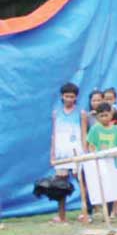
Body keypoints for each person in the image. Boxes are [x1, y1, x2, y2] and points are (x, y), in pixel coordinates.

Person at [50, 82, 88, 223]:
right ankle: (61, 215)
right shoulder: (56, 113)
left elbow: (84, 134)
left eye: (72, 97)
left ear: (76, 97)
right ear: (62, 96)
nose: (69, 99)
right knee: (61, 185)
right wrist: (52, 153)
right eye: (66, 96)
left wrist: (84, 152)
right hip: (61, 153)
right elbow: (54, 134)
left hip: (76, 152)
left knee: (81, 182)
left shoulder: (81, 113)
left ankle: (85, 213)